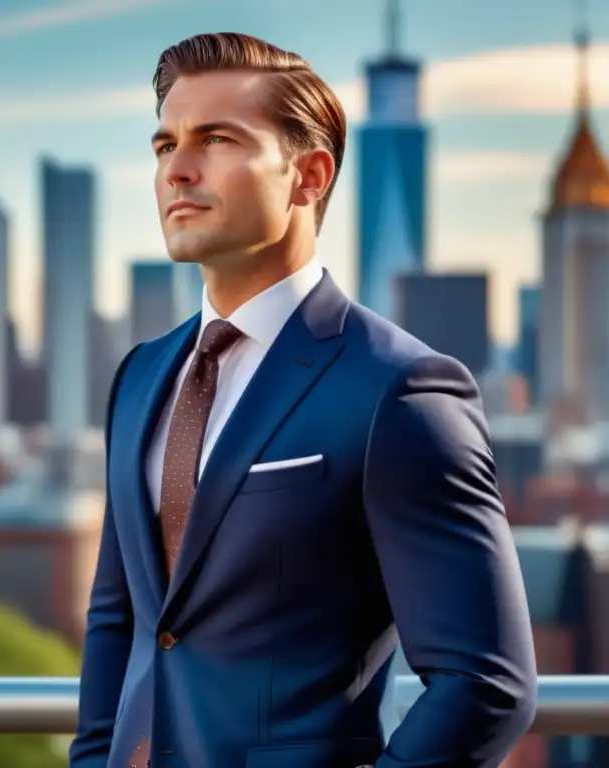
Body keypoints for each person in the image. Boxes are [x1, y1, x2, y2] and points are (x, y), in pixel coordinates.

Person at [68, 32, 537, 768]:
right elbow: (119, 620)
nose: (178, 170)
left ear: (308, 176)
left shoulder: (400, 390)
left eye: (217, 140)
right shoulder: (141, 376)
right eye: (164, 147)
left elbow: (486, 684)